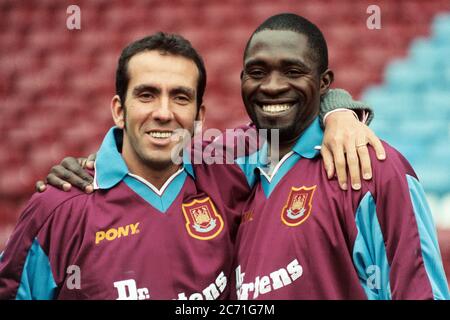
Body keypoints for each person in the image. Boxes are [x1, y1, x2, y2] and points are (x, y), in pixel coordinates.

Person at [0, 31, 378, 300]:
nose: (164, 113)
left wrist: (339, 111)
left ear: (199, 114)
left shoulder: (226, 163)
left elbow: (292, 118)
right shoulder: (59, 205)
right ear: (119, 109)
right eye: (147, 95)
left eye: (180, 97)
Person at [228, 13, 449, 300]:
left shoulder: (373, 169)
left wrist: (339, 110)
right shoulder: (229, 175)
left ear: (324, 83)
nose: (272, 86)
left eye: (293, 72)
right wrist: (337, 111)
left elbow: (420, 291)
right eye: (257, 73)